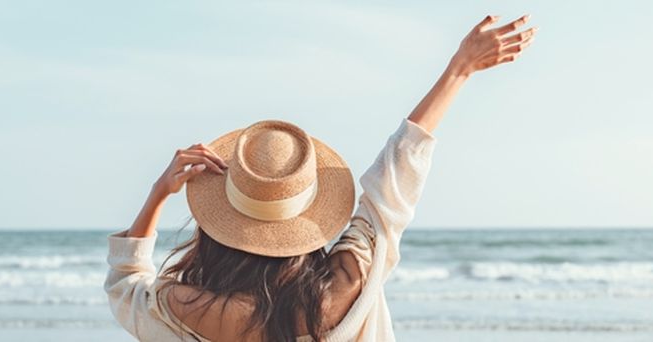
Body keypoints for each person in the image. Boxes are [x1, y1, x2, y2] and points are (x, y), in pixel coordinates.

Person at [106, 14, 537, 342]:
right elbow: (397, 174)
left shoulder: (178, 307)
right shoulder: (352, 284)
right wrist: (459, 69)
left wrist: (159, 193)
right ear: (307, 216)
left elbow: (125, 282)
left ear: (220, 225)